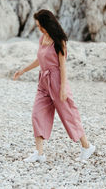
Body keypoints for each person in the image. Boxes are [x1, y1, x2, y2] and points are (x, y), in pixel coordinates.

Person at [13, 9, 95, 163]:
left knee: (68, 114)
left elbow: (63, 66)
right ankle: (39, 153)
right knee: (37, 114)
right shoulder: (42, 38)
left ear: (47, 24)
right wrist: (23, 70)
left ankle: (87, 146)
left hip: (57, 81)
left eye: (40, 26)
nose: (39, 29)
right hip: (43, 80)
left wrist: (63, 88)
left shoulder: (60, 41)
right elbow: (40, 59)